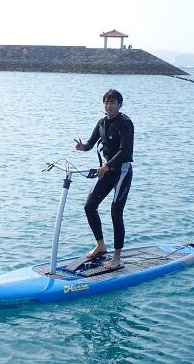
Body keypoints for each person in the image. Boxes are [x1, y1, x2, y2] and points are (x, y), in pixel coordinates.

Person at [75, 89, 134, 270]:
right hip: (106, 171)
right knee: (89, 206)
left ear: (120, 104)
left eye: (113, 102)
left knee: (116, 212)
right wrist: (82, 147)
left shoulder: (125, 123)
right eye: (106, 103)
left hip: (122, 171)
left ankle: (117, 257)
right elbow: (91, 144)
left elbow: (125, 151)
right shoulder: (101, 123)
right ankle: (101, 246)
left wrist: (107, 166)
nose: (109, 106)